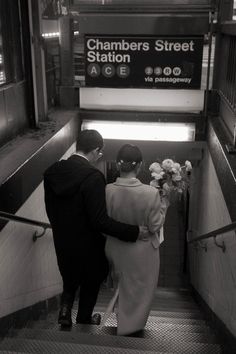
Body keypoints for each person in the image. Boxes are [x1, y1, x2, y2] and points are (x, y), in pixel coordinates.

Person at [43, 130, 148, 327]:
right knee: (92, 279)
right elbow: (100, 220)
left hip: (62, 239)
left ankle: (65, 312)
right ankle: (83, 318)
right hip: (88, 244)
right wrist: (133, 231)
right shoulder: (93, 177)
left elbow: (51, 211)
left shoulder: (52, 172)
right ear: (96, 150)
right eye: (99, 154)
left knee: (69, 274)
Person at [104, 144, 169, 336]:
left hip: (114, 247)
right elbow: (155, 226)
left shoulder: (107, 190)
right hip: (142, 252)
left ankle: (120, 320)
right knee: (140, 291)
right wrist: (164, 203)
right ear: (139, 165)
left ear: (117, 164)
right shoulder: (150, 193)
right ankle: (131, 328)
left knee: (120, 285)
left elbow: (104, 221)